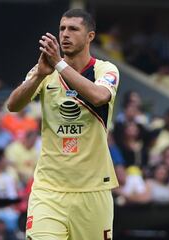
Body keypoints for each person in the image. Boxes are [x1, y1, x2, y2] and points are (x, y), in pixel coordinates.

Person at [7, 9, 119, 240]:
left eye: (73, 29)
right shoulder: (44, 70)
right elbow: (13, 105)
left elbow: (99, 97)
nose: (65, 35)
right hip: (48, 190)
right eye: (62, 29)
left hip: (93, 190)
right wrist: (39, 74)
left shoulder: (105, 69)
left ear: (90, 36)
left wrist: (59, 64)